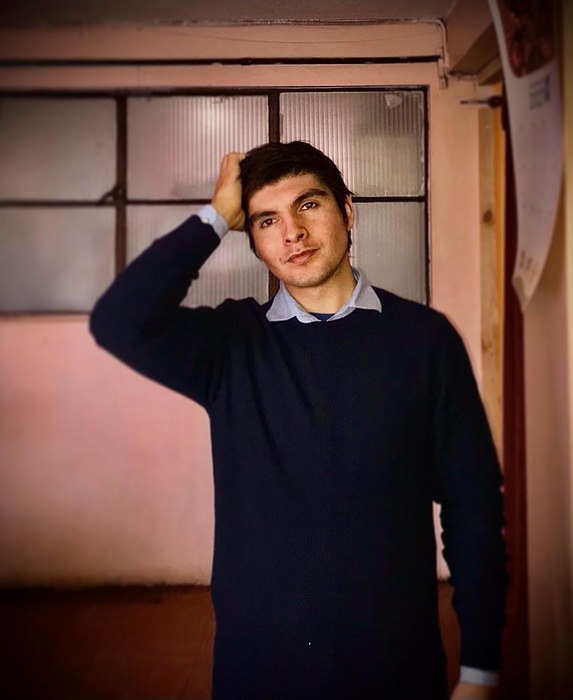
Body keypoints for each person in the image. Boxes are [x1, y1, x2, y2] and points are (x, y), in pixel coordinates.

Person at [90, 141, 507, 700]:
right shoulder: (232, 345)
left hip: (395, 666)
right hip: (260, 670)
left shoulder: (424, 340)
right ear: (253, 240)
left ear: (347, 212)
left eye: (308, 205)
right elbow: (119, 320)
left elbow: (472, 505)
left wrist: (481, 669)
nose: (293, 233)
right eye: (267, 220)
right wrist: (216, 216)